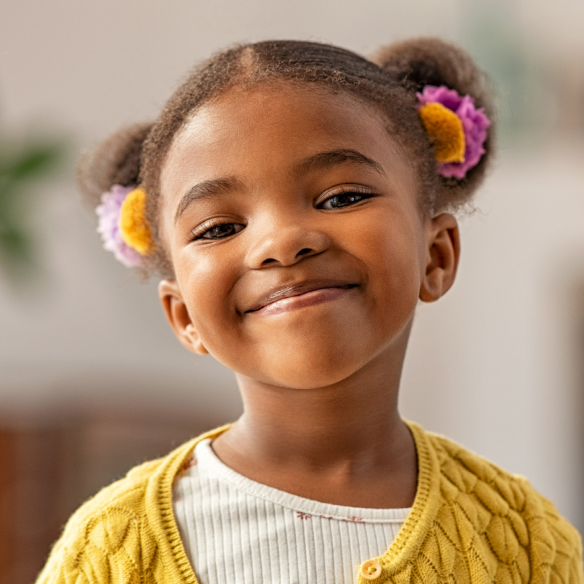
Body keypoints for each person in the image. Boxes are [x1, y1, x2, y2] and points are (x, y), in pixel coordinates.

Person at [37, 38, 583, 584]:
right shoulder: (108, 549)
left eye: (341, 197)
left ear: (436, 256)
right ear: (182, 316)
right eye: (220, 228)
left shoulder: (524, 539)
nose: (281, 241)